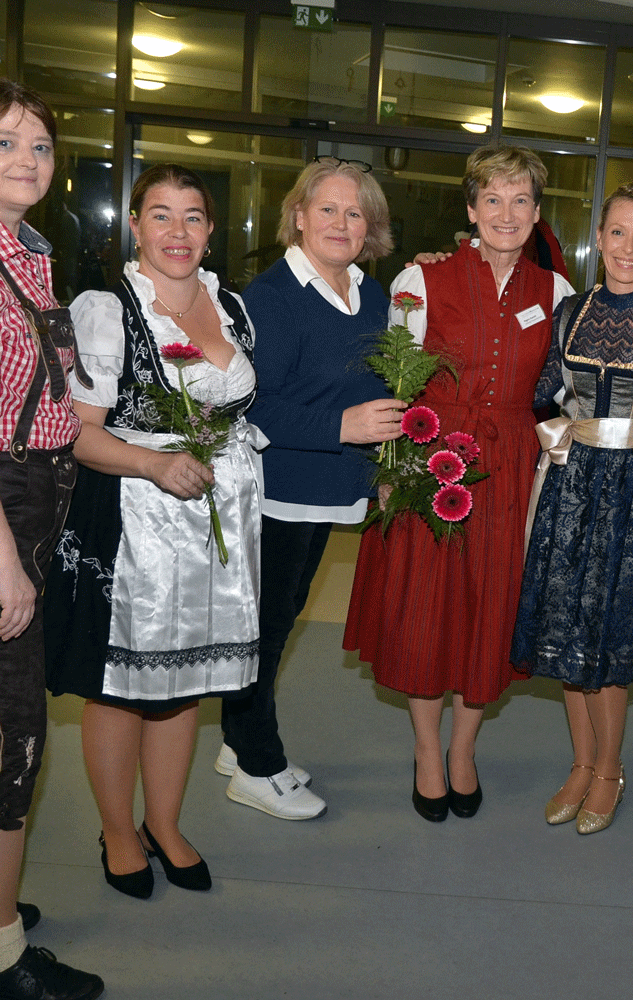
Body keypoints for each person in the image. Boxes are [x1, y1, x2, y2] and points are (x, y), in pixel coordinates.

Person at [45, 163, 263, 898]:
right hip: (133, 519)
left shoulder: (229, 304)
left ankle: (164, 824)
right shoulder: (107, 309)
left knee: (184, 683)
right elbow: (76, 435)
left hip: (216, 520)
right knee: (120, 687)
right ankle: (116, 830)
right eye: (161, 216)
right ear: (134, 226)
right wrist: (152, 464)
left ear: (210, 231)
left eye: (193, 216)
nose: (178, 232)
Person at [344, 146, 574, 821]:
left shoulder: (556, 293)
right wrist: (389, 472)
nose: (508, 213)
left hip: (510, 465)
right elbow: (396, 378)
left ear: (537, 214)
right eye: (493, 200)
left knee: (489, 608)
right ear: (472, 209)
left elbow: (566, 390)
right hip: (431, 455)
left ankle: (465, 749)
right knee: (426, 608)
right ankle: (424, 749)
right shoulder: (420, 278)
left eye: (522, 200)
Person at [511, 184, 633, 833]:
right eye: (618, 233)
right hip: (571, 485)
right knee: (566, 636)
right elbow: (541, 391)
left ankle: (610, 768)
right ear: (600, 238)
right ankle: (579, 762)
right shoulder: (570, 311)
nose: (629, 248)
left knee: (610, 638)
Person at [217, 158, 405, 820]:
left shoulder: (371, 294)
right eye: (327, 209)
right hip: (278, 488)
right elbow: (249, 406)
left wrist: (383, 452)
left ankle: (239, 739)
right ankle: (254, 761)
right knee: (264, 628)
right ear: (297, 215)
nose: (341, 223)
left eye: (356, 213)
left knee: (285, 613)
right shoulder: (270, 298)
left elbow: (378, 383)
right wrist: (343, 424)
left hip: (330, 487)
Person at [0, 78, 104, 999]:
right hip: (2, 518)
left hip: (35, 506)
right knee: (10, 737)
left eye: (39, 145)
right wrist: (4, 562)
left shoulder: (29, 254)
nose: (27, 160)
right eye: (6, 143)